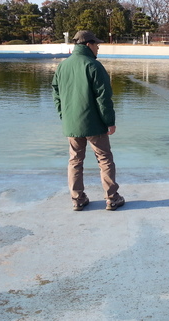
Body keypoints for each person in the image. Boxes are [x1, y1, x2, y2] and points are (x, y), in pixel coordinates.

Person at [52, 30, 125, 211]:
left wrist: (64, 115)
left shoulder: (63, 66)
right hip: (94, 124)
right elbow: (103, 97)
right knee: (105, 159)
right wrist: (109, 121)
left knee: (75, 160)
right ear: (87, 45)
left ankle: (77, 199)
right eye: (96, 44)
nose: (98, 47)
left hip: (71, 123)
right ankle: (112, 198)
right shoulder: (94, 66)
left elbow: (56, 94)